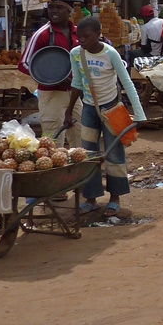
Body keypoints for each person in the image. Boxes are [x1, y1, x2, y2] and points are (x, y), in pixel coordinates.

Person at [64, 17, 147, 218]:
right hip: (89, 110)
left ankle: (115, 198)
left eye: (86, 36)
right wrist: (68, 112)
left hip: (112, 110)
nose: (81, 40)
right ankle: (91, 199)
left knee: (114, 155)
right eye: (78, 36)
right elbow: (76, 83)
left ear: (98, 33)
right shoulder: (76, 54)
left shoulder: (110, 54)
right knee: (88, 155)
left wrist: (139, 113)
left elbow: (126, 82)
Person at [18, 0, 85, 148]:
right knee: (54, 138)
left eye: (59, 8)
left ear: (69, 11)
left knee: (80, 134)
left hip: (74, 93)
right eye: (51, 7)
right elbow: (24, 63)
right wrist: (50, 79)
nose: (54, 11)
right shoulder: (42, 33)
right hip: (51, 94)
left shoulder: (77, 33)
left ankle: (80, 169)